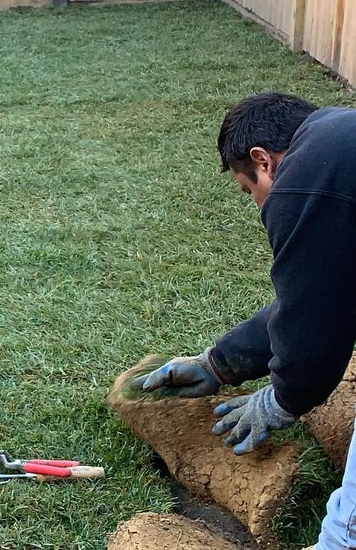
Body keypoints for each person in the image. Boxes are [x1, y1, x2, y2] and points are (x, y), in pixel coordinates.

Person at [135, 92, 356, 549]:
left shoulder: (303, 180)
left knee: (345, 535)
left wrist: (281, 400)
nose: (258, 204)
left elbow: (314, 327)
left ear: (263, 161)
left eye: (247, 189)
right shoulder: (339, 141)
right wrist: (218, 363)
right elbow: (320, 296)